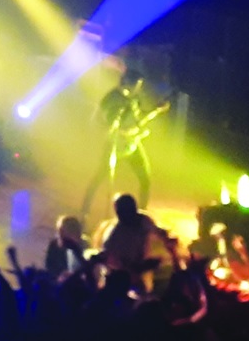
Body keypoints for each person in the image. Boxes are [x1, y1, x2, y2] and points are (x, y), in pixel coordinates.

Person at [80, 65, 164, 218]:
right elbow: (111, 127)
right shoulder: (113, 99)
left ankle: (142, 213)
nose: (138, 88)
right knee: (100, 178)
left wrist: (156, 110)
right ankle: (85, 210)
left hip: (132, 145)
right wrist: (134, 132)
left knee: (145, 179)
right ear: (127, 82)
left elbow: (138, 120)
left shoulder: (132, 98)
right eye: (136, 85)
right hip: (115, 145)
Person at [96, 192, 179, 294]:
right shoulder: (114, 235)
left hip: (137, 277)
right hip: (119, 279)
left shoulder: (143, 220)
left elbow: (158, 232)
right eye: (122, 211)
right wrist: (138, 267)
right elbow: (111, 259)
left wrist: (168, 240)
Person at [44, 215, 92, 284]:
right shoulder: (54, 245)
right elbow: (50, 266)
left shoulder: (84, 245)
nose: (60, 234)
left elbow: (87, 267)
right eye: (59, 231)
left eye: (62, 231)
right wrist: (59, 276)